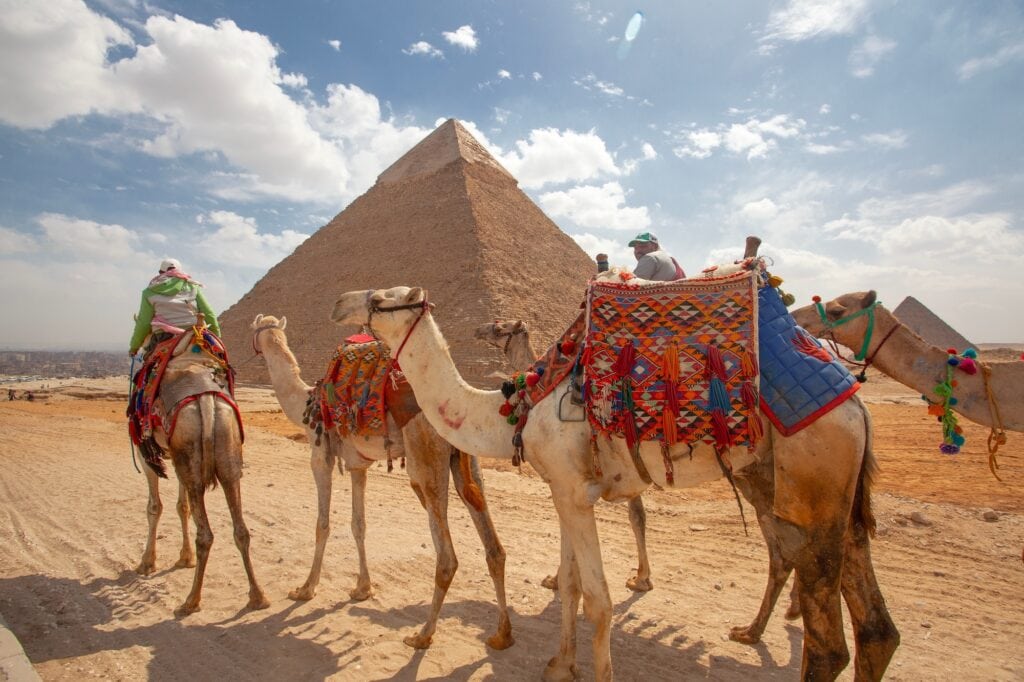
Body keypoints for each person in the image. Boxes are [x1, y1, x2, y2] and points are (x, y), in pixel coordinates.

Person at [128, 258, 221, 358]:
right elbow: (209, 313)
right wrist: (216, 337)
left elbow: (144, 322)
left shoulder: (149, 291)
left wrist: (134, 347)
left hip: (163, 337)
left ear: (160, 272)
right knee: (220, 363)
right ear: (179, 271)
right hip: (195, 334)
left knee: (149, 366)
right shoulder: (193, 286)